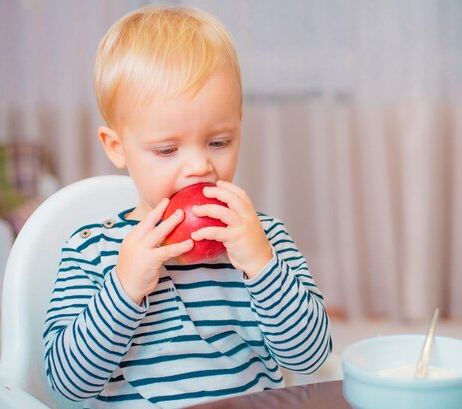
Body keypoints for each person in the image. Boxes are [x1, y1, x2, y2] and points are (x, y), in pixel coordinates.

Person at [43, 6, 332, 408]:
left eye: (219, 142)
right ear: (117, 147)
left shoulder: (263, 238)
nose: (199, 166)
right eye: (167, 149)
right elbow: (67, 385)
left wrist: (262, 266)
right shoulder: (91, 250)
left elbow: (311, 357)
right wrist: (123, 289)